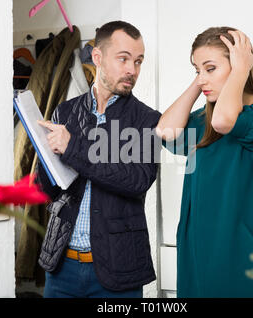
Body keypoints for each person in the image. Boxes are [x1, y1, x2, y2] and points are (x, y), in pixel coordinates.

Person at [156, 27, 253, 297]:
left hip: (245, 251)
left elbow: (225, 121)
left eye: (211, 68)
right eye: (197, 69)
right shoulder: (201, 120)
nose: (202, 79)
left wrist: (241, 69)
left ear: (240, 65)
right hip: (197, 250)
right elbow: (165, 131)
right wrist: (200, 81)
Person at [35, 21, 162, 298]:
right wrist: (45, 154)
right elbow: (45, 190)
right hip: (60, 268)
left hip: (119, 272)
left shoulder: (147, 121)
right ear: (97, 58)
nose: (133, 70)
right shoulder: (65, 112)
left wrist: (72, 150)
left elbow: (136, 181)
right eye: (124, 59)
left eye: (138, 61)